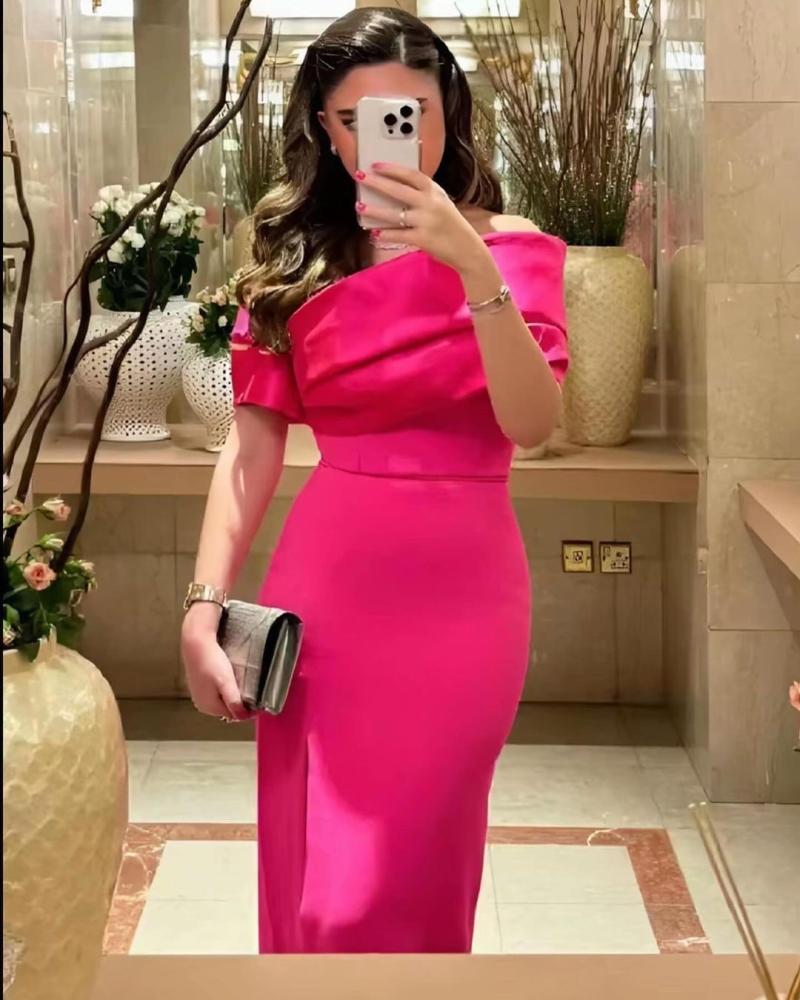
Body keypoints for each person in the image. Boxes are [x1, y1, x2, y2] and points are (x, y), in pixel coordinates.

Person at [180, 6, 568, 955]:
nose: (383, 137)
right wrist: (203, 604)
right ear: (325, 127)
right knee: (327, 888)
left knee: (419, 866)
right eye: (354, 119)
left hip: (467, 604)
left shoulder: (514, 250)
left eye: (408, 112)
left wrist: (468, 262)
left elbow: (532, 423)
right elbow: (251, 449)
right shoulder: (293, 263)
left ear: (446, 110)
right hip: (331, 600)